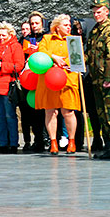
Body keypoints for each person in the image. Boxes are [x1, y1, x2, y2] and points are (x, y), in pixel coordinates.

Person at [35, 15, 82, 155]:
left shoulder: (73, 40)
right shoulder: (47, 39)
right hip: (50, 78)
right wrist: (53, 57)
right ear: (57, 27)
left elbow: (79, 57)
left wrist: (66, 62)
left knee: (68, 111)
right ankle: (53, 141)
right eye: (66, 25)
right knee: (50, 111)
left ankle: (72, 141)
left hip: (67, 78)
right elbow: (41, 52)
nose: (69, 27)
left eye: (69, 25)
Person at [87, 0, 110, 160]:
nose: (96, 15)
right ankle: (107, 144)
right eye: (94, 12)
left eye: (99, 11)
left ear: (107, 11)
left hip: (108, 80)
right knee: (101, 113)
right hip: (97, 79)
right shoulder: (96, 30)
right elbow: (90, 53)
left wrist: (109, 77)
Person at [0, 23, 23, 153]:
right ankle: (2, 143)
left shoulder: (15, 46)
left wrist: (2, 65)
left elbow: (18, 65)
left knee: (9, 115)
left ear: (10, 35)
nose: (1, 37)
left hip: (7, 84)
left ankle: (13, 143)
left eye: (3, 35)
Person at [20, 12, 46, 151]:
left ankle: (47, 137)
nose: (34, 26)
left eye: (36, 23)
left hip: (44, 76)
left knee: (44, 111)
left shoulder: (46, 37)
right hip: (30, 78)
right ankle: (38, 139)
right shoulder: (26, 39)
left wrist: (40, 50)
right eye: (32, 23)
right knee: (33, 111)